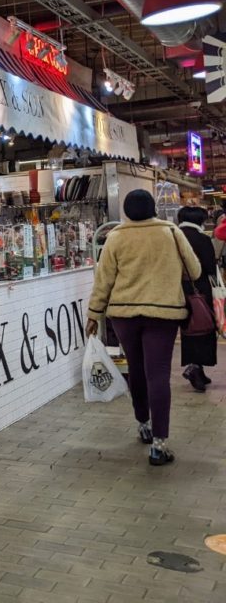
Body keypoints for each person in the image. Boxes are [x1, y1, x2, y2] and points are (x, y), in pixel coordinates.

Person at [86, 189, 201, 466]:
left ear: (126, 211)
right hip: (163, 314)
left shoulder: (116, 237)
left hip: (124, 315)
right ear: (154, 209)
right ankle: (160, 446)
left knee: (136, 370)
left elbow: (104, 280)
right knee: (158, 374)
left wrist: (93, 313)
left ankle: (143, 425)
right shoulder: (171, 233)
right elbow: (194, 271)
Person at [177, 206, 218, 392]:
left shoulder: (174, 236)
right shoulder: (202, 239)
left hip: (178, 290)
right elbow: (210, 267)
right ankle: (195, 369)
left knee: (188, 330)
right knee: (204, 327)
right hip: (199, 290)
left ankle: (198, 369)